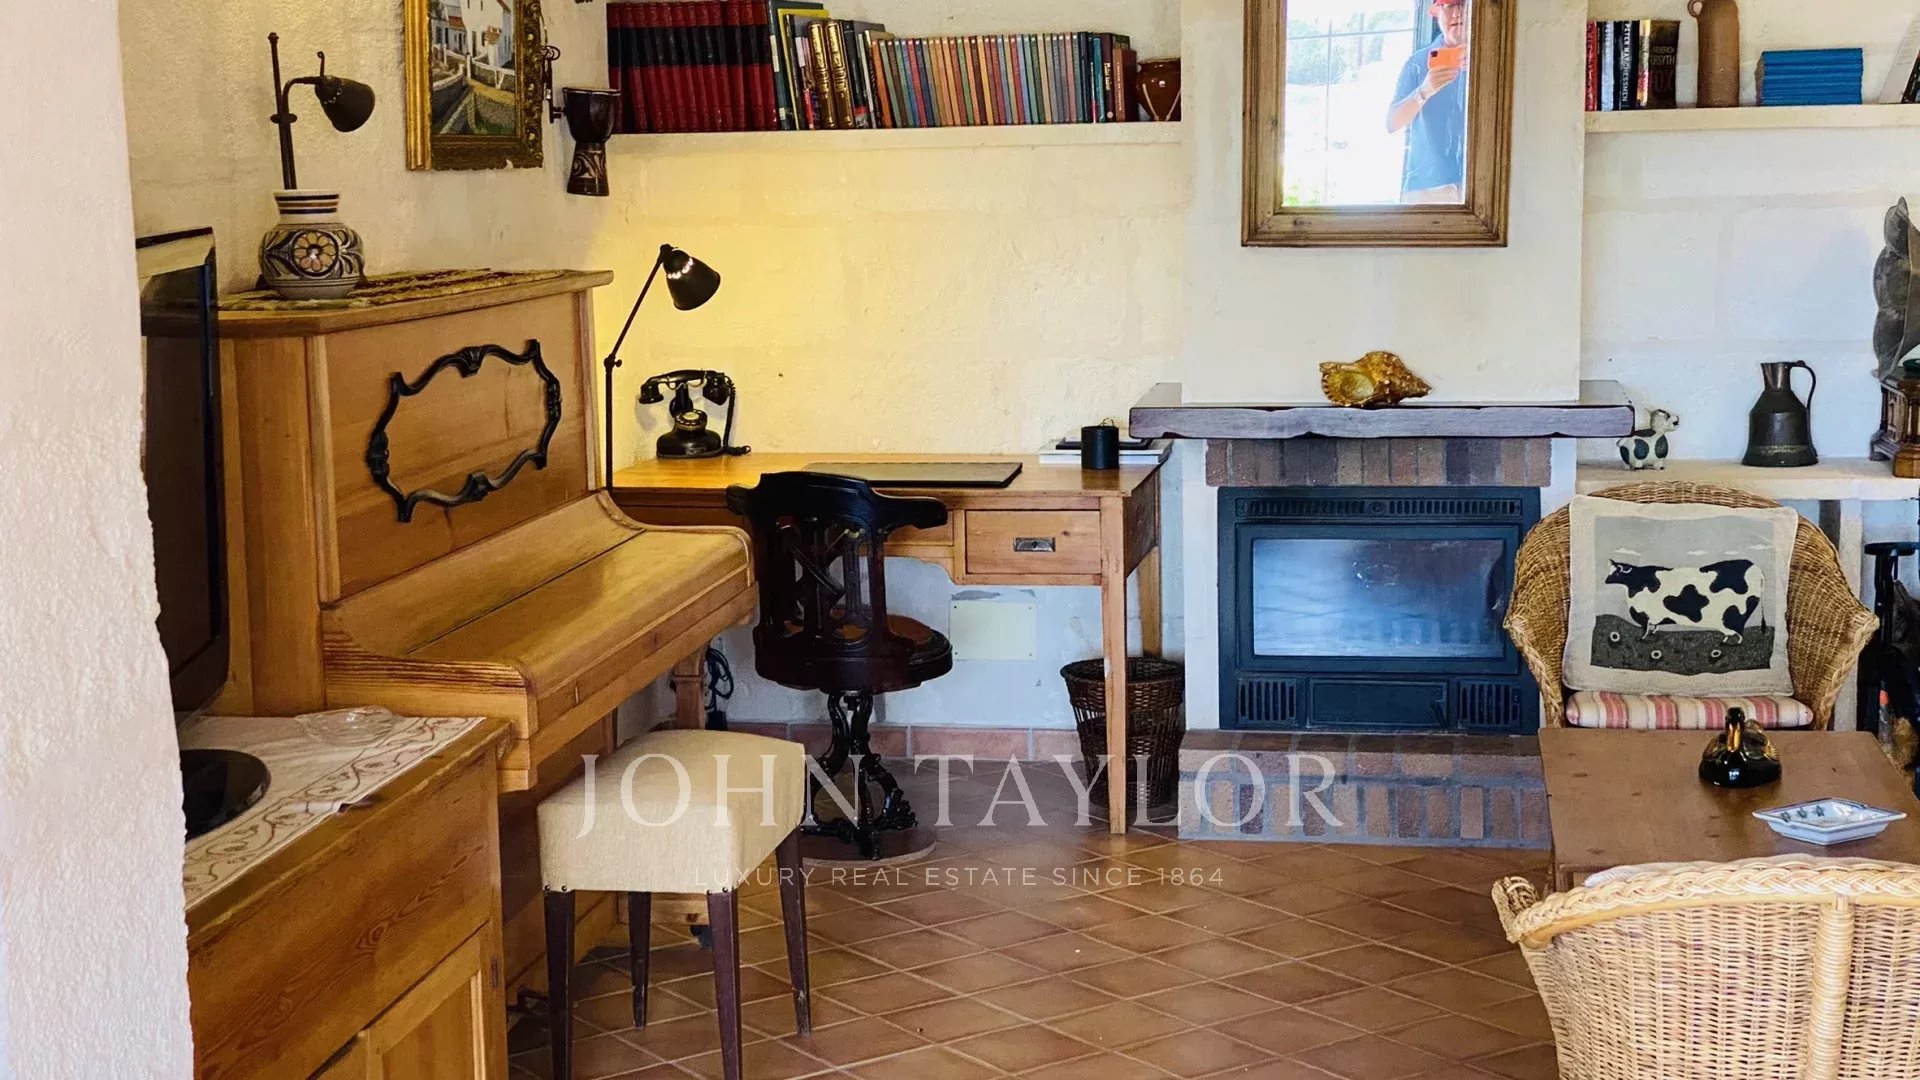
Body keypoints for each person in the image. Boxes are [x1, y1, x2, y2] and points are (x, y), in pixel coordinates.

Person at [1386, 0, 1469, 204]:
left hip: (1483, 182)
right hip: (1426, 187)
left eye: (1463, 4)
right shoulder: (1417, 64)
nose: (1457, 13)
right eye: (1449, 5)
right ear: (1437, 13)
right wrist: (1424, 90)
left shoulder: (1493, 60)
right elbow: (1392, 123)